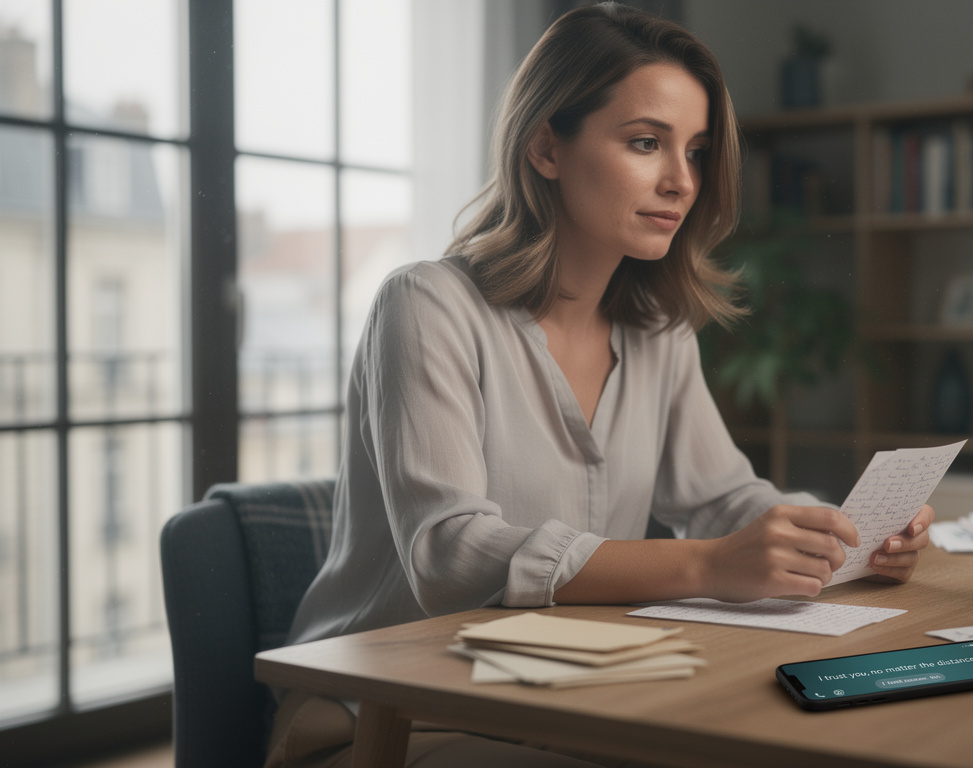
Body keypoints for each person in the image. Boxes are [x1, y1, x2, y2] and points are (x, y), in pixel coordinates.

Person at [265, 5, 934, 766]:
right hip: (386, 716)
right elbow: (451, 554)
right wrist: (708, 565)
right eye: (646, 143)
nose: (681, 181)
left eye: (696, 151)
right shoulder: (426, 305)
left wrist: (842, 536)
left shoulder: (658, 330)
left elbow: (721, 498)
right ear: (546, 146)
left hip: (567, 696)